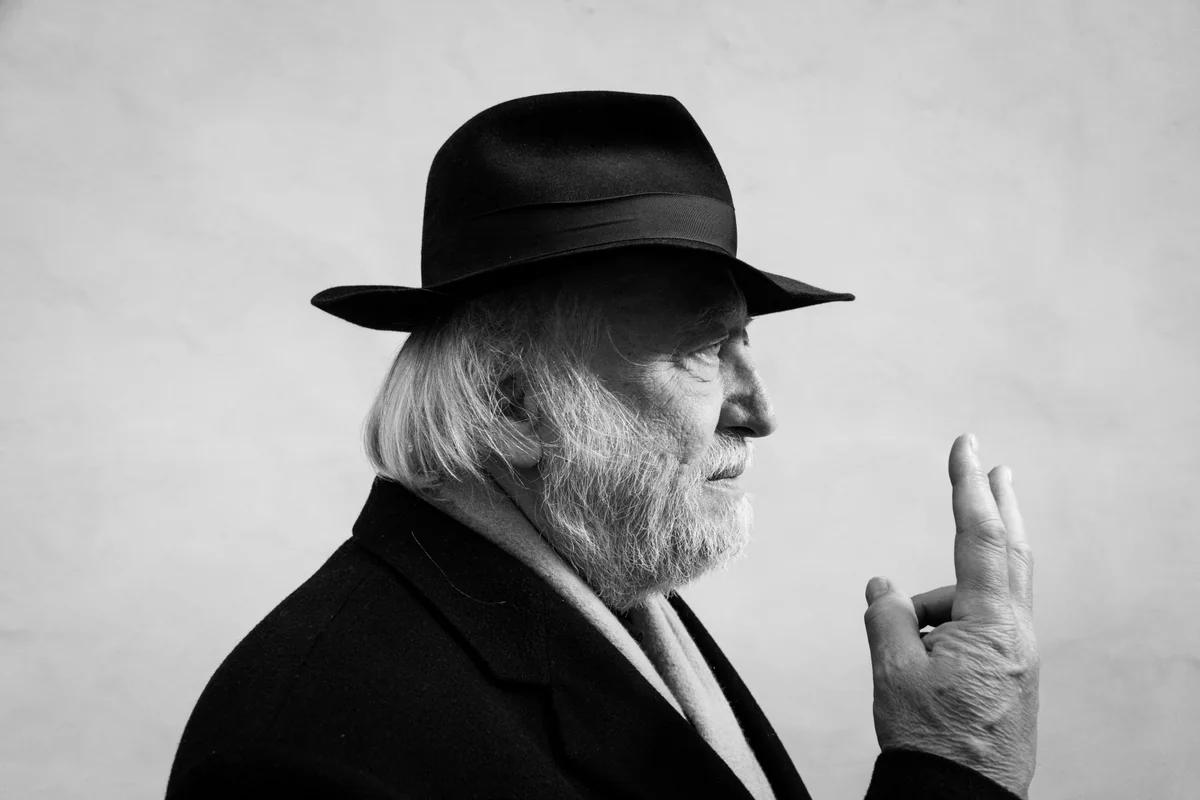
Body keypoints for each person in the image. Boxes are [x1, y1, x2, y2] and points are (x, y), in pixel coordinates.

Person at [165, 91, 1039, 800]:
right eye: (702, 348)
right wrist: (952, 770)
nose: (759, 411)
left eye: (744, 343)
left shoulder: (606, 591)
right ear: (511, 397)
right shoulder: (300, 753)